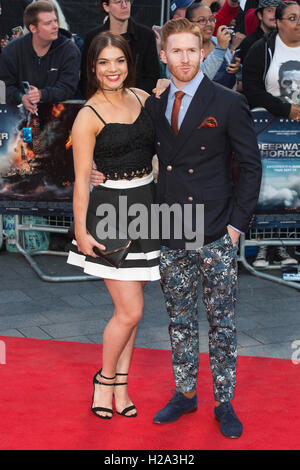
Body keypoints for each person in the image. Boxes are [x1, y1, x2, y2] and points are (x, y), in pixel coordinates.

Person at [91, 17, 262, 437]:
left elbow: (251, 167)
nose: (184, 58)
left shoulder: (226, 101)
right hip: (171, 227)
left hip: (216, 229)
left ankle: (224, 402)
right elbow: (130, 146)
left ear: (203, 52)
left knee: (222, 322)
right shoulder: (154, 105)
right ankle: (185, 394)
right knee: (180, 320)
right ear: (164, 55)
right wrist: (101, 170)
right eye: (176, 51)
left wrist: (237, 227)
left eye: (192, 50)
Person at [67, 31, 160, 420]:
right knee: (131, 311)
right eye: (103, 62)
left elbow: (162, 149)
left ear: (128, 63)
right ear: (93, 67)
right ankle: (104, 381)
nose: (112, 69)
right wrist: (81, 231)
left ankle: (121, 387)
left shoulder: (143, 98)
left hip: (147, 208)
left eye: (118, 61)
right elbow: (79, 177)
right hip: (108, 216)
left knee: (132, 312)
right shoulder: (88, 115)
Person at [243, 1, 300, 267]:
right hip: (269, 130)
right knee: (269, 188)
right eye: (292, 17)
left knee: (294, 186)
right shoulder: (263, 49)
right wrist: (285, 108)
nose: (298, 22)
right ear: (277, 22)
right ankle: (262, 246)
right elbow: (252, 88)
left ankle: (287, 247)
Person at [0, 0, 81, 113]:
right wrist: (21, 97)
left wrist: (42, 94)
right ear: (33, 28)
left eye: (55, 21)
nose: (55, 26)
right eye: (48, 23)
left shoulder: (70, 50)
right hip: (17, 116)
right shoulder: (12, 51)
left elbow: (67, 87)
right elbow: (3, 87)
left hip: (59, 115)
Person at [80, 0, 160, 97]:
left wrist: (129, 98)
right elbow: (87, 78)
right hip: (102, 104)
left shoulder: (146, 36)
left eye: (127, 1)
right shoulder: (92, 38)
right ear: (106, 7)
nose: (124, 6)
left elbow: (152, 77)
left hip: (136, 104)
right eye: (118, 2)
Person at [186, 2, 241, 88]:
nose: (209, 24)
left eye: (211, 19)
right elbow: (201, 81)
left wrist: (237, 68)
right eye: (202, 20)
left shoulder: (217, 41)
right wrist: (220, 49)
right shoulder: (184, 50)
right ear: (189, 24)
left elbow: (234, 79)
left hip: (228, 100)